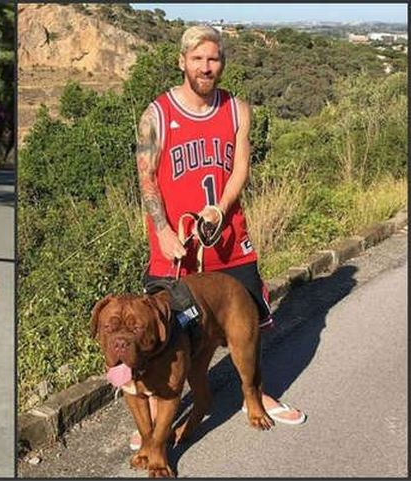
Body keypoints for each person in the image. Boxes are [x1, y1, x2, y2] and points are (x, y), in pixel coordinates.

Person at [129, 25, 305, 450]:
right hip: (177, 246)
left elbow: (240, 168)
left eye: (213, 59)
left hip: (228, 238)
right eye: (198, 59)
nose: (206, 67)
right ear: (182, 62)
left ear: (221, 63)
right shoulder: (156, 115)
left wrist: (219, 208)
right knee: (168, 330)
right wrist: (165, 232)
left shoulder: (237, 110)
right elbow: (146, 179)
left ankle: (253, 392)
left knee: (249, 327)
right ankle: (156, 416)